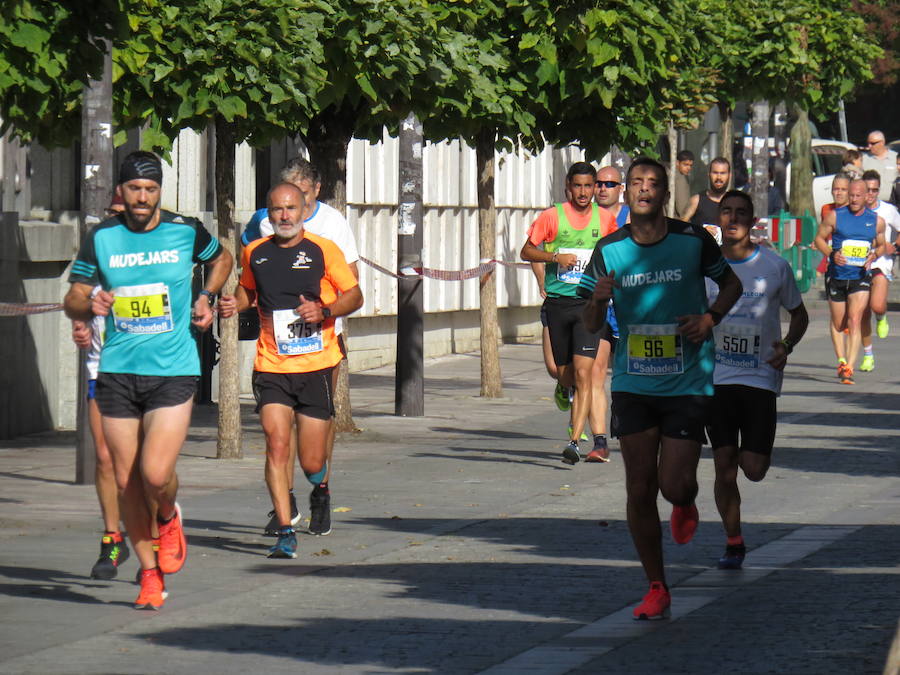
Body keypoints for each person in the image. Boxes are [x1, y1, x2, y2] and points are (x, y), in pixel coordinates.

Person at [64, 151, 233, 610]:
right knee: (125, 480)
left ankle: (168, 514)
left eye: (151, 189)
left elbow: (223, 258)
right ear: (121, 191)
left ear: (160, 191)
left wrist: (206, 296)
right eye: (135, 189)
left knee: (154, 474)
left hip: (173, 370)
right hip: (118, 371)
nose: (143, 198)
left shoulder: (184, 229)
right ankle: (151, 575)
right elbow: (74, 295)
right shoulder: (101, 237)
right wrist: (88, 305)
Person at [578, 157, 743, 620]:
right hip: (633, 382)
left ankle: (686, 501)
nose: (644, 189)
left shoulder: (691, 240)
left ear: (665, 193)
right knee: (638, 486)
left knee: (674, 484)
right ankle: (656, 585)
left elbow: (731, 284)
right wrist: (598, 299)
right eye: (636, 182)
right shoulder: (609, 249)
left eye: (653, 183)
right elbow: (591, 323)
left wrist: (710, 318)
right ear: (627, 193)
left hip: (688, 380)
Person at [219, 183, 362, 559]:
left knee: (312, 461)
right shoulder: (255, 253)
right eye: (276, 210)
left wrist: (325, 312)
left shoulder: (322, 250)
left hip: (316, 365)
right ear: (268, 214)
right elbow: (249, 291)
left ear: (303, 211)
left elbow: (355, 294)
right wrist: (235, 303)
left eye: (291, 209)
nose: (284, 216)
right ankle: (285, 529)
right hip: (272, 365)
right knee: (276, 444)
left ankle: (320, 488)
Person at [706, 191, 808, 570]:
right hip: (717, 377)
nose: (733, 219)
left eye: (741, 213)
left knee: (754, 469)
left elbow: (799, 316)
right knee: (723, 464)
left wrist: (786, 345)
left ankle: (757, 454)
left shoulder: (774, 266)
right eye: (727, 212)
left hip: (760, 377)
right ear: (719, 218)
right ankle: (734, 542)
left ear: (752, 221)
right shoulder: (706, 267)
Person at [520, 162, 617, 464]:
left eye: (589, 186)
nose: (585, 192)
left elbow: (620, 251)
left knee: (586, 372)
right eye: (578, 186)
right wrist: (554, 257)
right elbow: (526, 251)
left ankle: (575, 441)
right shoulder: (553, 217)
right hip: (559, 304)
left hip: (589, 306)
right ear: (568, 187)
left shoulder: (605, 220)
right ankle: (565, 387)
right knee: (562, 372)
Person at [813, 178, 886, 384]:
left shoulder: (875, 220)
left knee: (855, 319)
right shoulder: (835, 216)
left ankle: (849, 366)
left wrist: (874, 255)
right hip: (837, 276)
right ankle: (841, 358)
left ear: (866, 196)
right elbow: (819, 239)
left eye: (857, 196)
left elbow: (881, 245)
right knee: (839, 323)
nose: (853, 199)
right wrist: (831, 253)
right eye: (850, 195)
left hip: (859, 277)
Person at [858, 170, 900, 371]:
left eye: (875, 190)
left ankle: (882, 316)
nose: (871, 194)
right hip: (859, 264)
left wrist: (895, 246)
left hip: (882, 263)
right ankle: (868, 355)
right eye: (868, 190)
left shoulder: (888, 210)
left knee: (876, 305)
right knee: (863, 313)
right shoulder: (855, 210)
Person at [817, 174, 852, 362]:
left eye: (843, 189)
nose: (838, 193)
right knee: (837, 316)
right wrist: (825, 249)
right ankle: (842, 360)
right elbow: (821, 235)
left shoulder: (856, 211)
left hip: (855, 270)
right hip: (834, 267)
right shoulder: (826, 210)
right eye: (835, 189)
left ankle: (858, 355)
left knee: (853, 316)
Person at [684, 157, 731, 229]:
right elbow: (681, 227)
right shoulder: (696, 200)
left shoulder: (734, 202)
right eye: (715, 172)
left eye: (723, 173)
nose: (719, 177)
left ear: (729, 175)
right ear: (709, 174)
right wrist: (701, 231)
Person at [862, 131, 898, 202]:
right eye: (868, 143)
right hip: (871, 204)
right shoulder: (864, 160)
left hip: (893, 203)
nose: (869, 146)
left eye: (872, 143)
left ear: (882, 142)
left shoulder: (895, 158)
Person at [673, 150, 694, 220]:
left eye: (690, 165)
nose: (688, 168)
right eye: (685, 164)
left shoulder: (676, 176)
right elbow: (681, 208)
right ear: (677, 163)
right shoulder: (679, 178)